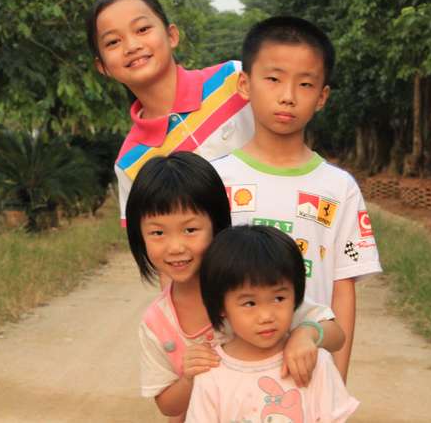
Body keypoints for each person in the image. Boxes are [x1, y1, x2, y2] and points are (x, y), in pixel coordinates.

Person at [212, 16, 382, 381]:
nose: (288, 95)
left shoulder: (339, 188)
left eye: (305, 84)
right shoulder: (215, 181)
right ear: (245, 84)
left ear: (322, 97)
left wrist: (337, 382)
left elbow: (342, 290)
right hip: (228, 377)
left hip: (308, 379)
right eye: (273, 79)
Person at [126, 152, 345, 421]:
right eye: (158, 233)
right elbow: (168, 407)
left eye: (190, 230)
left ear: (216, 224)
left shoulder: (254, 288)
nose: (176, 247)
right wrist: (189, 378)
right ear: (139, 237)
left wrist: (306, 334)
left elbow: (336, 335)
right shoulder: (157, 323)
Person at [86, 0, 254, 227]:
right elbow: (149, 240)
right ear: (103, 67)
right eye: (113, 42)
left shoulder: (234, 80)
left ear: (172, 35)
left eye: (142, 29)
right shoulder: (130, 162)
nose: (132, 46)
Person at [186, 225, 359, 422]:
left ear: (296, 295)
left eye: (278, 298)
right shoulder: (211, 373)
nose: (266, 316)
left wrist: (306, 334)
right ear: (221, 306)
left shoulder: (315, 362)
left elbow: (338, 337)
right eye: (250, 303)